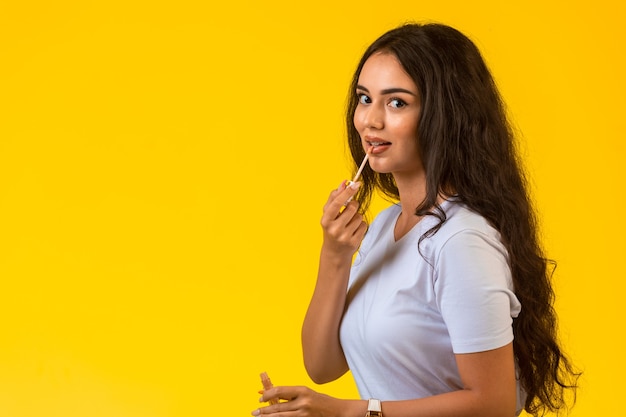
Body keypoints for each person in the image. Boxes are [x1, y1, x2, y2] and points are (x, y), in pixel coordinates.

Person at [252, 22, 579, 417]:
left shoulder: (461, 241)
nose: (369, 121)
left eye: (397, 103)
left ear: (444, 115)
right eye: (364, 98)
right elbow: (323, 366)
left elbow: (493, 404)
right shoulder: (385, 229)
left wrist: (349, 412)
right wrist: (334, 256)